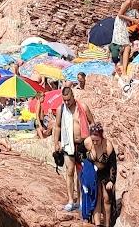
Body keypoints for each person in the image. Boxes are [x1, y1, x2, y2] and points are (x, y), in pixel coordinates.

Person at [57, 85, 91, 213]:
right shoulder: (61, 109)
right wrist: (56, 142)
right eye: (64, 100)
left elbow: (92, 123)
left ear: (73, 96)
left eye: (68, 100)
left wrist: (93, 141)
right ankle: (71, 200)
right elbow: (57, 126)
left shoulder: (83, 107)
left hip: (81, 145)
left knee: (81, 173)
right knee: (69, 171)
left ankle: (80, 200)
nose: (66, 102)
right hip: (67, 144)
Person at [83, 124, 117, 225]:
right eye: (93, 140)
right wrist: (84, 164)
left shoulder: (108, 145)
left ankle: (107, 223)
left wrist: (111, 180)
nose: (94, 142)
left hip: (106, 172)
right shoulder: (87, 142)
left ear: (101, 136)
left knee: (106, 198)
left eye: (97, 140)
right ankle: (97, 223)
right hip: (93, 171)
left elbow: (113, 165)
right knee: (96, 197)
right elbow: (79, 153)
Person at [112, 0, 139, 76]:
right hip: (120, 23)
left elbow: (135, 14)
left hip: (127, 24)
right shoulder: (128, 2)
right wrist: (132, 20)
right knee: (126, 46)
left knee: (125, 46)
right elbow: (119, 14)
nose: (138, 2)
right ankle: (124, 71)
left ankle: (121, 65)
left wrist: (136, 21)